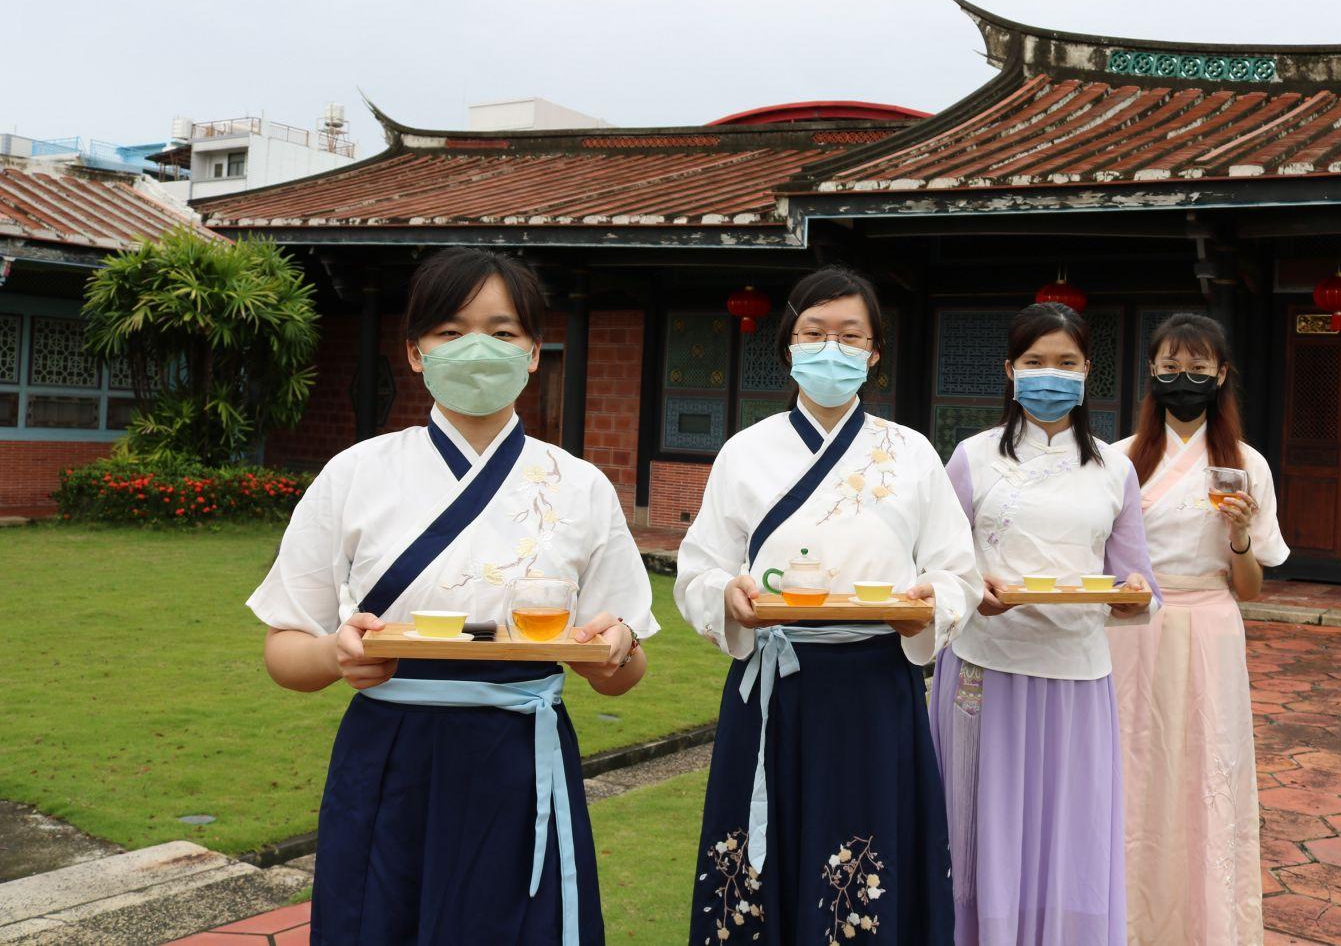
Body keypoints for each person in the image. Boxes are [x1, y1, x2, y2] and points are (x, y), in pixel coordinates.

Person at [248, 247, 656, 945]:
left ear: (534, 352)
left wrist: (612, 651)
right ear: (415, 352)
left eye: (502, 332)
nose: (476, 348)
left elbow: (624, 667)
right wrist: (335, 655)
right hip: (389, 757)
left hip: (521, 757)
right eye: (449, 331)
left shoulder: (579, 486)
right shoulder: (356, 473)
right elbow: (284, 649)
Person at [675, 266, 980, 946]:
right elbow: (698, 569)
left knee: (865, 857)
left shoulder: (911, 453)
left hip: (874, 684)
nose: (831, 349)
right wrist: (726, 595)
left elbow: (958, 572)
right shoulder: (745, 452)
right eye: (814, 333)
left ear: (874, 353)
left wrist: (929, 602)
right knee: (757, 869)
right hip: (773, 686)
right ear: (789, 345)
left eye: (850, 335)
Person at [930, 301, 1159, 946]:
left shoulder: (1115, 469)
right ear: (1010, 370)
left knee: (1071, 832)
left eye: (1066, 362)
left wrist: (1135, 597)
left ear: (1087, 372)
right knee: (980, 828)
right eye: (1035, 362)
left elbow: (1138, 579)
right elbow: (937, 563)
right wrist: (972, 590)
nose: (1050, 375)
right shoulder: (972, 458)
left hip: (1077, 678)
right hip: (985, 669)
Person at [1106, 312, 1289, 946]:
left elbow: (1250, 588)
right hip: (1132, 627)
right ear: (1151, 372)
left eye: (1198, 368)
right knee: (1132, 766)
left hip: (1211, 625)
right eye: (1170, 367)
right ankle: (1126, 923)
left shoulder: (1246, 465)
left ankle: (1206, 925)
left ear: (1221, 374)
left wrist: (1239, 534)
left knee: (1208, 767)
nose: (1183, 378)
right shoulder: (1117, 460)